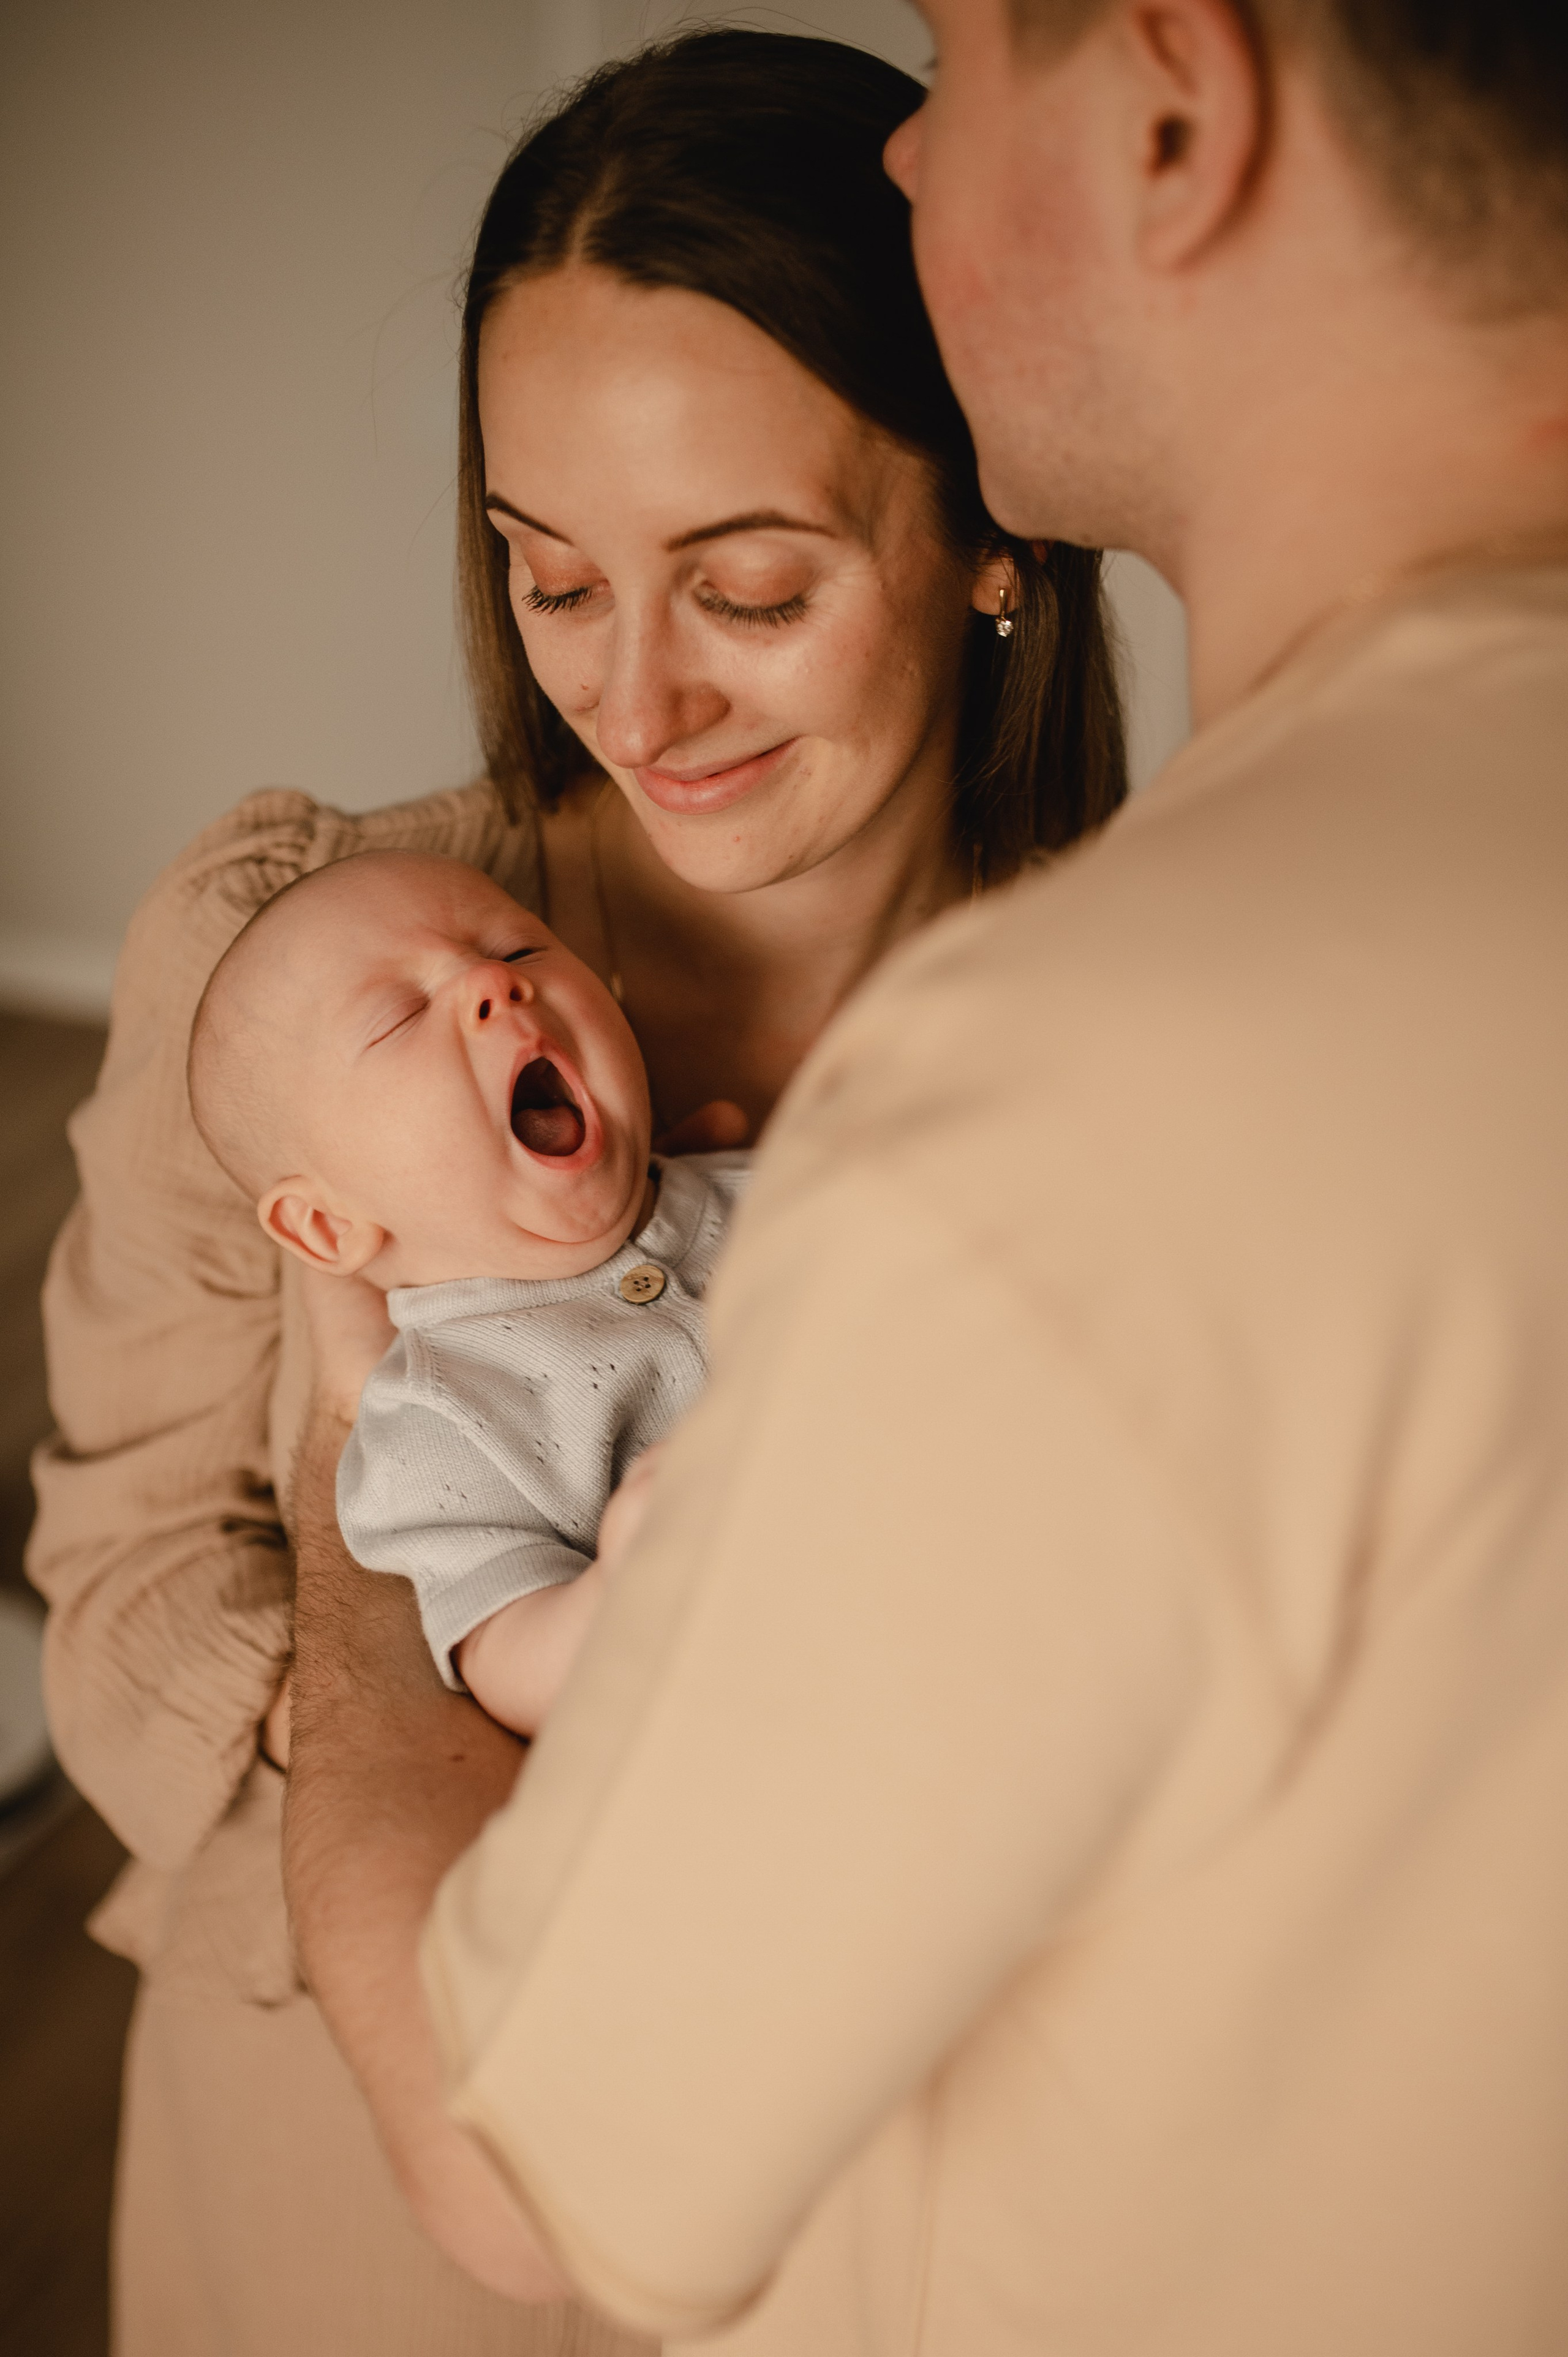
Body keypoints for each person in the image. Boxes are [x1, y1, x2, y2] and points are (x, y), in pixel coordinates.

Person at [281, 1, 1568, 2351]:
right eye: (549, 575)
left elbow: (513, 2145)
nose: (913, 160)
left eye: (964, 60)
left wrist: (372, 1500)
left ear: (1177, 104)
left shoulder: (1053, 1113)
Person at [26, 29, 1123, 2357]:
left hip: (893, 2191)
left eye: (746, 586)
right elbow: (118, 1573)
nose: (640, 697)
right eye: (551, 577)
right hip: (347, 2164)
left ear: (993, 523)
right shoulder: (293, 961)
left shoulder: (1142, 1040)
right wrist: (463, 1630)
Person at [188, 849, 748, 1734]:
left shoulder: (770, 1184)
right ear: (329, 1227)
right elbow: (505, 1648)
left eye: (521, 951)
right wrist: (618, 1596)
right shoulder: (439, 1421)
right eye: (398, 1017)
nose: (494, 980)